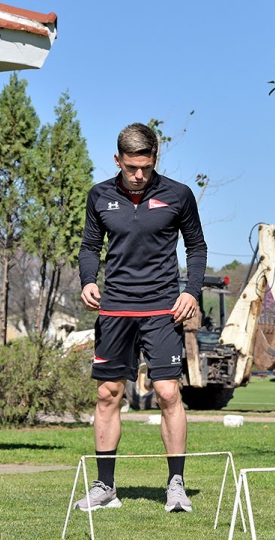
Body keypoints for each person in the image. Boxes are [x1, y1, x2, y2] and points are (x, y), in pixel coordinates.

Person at [74, 123, 207, 513]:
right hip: (115, 308)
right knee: (107, 394)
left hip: (162, 308)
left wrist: (191, 291)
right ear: (117, 160)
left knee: (168, 393)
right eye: (131, 167)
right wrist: (87, 280)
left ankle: (176, 486)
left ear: (155, 161)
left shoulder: (178, 195)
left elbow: (196, 246)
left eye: (146, 168)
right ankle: (105, 487)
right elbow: (89, 246)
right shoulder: (98, 195)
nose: (138, 175)